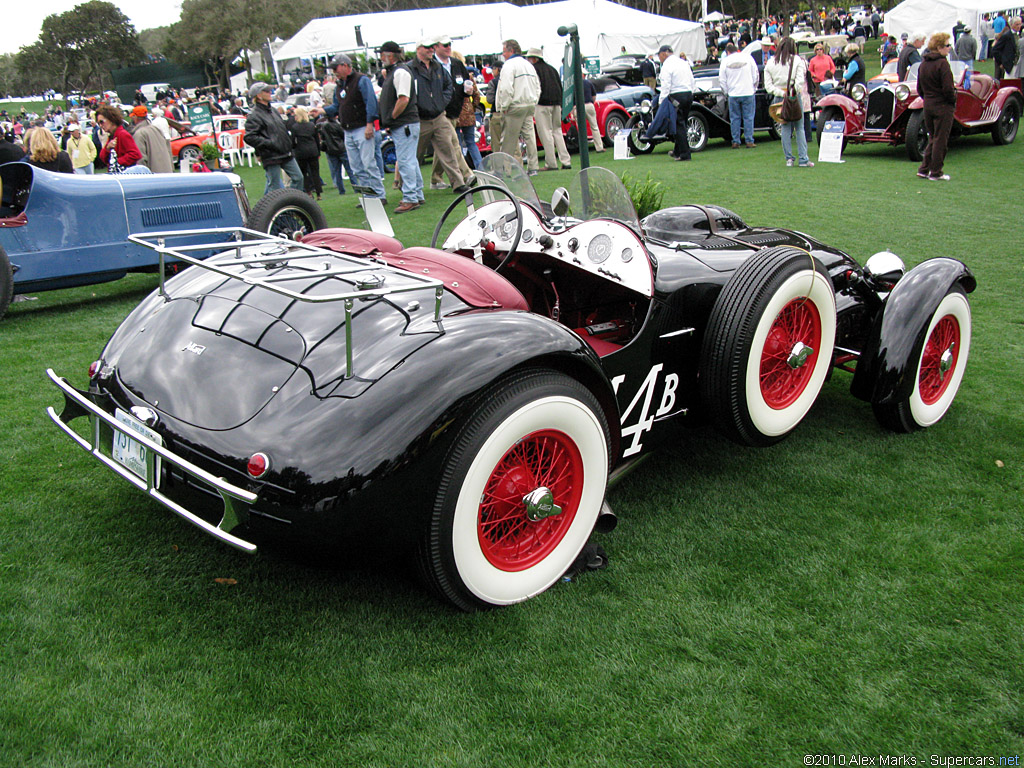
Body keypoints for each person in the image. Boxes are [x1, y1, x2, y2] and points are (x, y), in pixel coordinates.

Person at [410, 37, 472, 194]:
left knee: (449, 149)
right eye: (427, 47)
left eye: (432, 47)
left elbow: (448, 86)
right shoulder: (410, 69)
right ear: (419, 49)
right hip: (420, 119)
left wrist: (440, 103)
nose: (430, 50)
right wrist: (418, 107)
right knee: (413, 154)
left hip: (439, 116)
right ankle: (405, 185)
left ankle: (458, 183)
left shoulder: (439, 68)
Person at [323, 54, 387, 201]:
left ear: (345, 65)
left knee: (369, 164)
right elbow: (336, 107)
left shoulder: (361, 80)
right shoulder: (339, 85)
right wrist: (322, 110)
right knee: (356, 167)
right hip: (348, 130)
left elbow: (371, 103)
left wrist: (369, 125)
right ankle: (368, 197)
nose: (334, 72)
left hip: (362, 128)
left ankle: (379, 195)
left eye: (336, 68)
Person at [378, 40, 424, 213]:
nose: (382, 58)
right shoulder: (397, 72)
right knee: (409, 160)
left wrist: (391, 117)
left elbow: (403, 99)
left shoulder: (400, 73)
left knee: (405, 161)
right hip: (406, 123)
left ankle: (411, 197)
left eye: (383, 55)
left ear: (390, 55)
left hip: (404, 123)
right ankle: (416, 194)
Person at [431, 37, 477, 189]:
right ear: (436, 47)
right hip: (438, 112)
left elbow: (464, 84)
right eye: (445, 45)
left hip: (454, 111)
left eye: (449, 45)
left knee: (444, 144)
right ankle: (467, 174)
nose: (448, 47)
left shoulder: (457, 64)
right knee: (453, 143)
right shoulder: (430, 65)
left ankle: (435, 179)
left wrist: (467, 91)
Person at [244, 82, 304, 194]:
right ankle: (274, 209)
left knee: (298, 178)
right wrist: (270, 143)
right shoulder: (255, 115)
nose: (269, 93)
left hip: (285, 152)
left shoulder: (273, 111)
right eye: (266, 91)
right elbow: (250, 137)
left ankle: (290, 202)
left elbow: (281, 128)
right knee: (274, 187)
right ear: (259, 95)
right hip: (271, 155)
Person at [765, 36, 814, 168]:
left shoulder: (771, 62)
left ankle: (789, 159)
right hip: (793, 96)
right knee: (799, 127)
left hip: (779, 96)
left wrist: (781, 93)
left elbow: (768, 86)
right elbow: (799, 82)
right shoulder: (797, 60)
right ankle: (803, 159)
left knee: (785, 128)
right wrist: (791, 92)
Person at [496, 39, 541, 173]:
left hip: (515, 105)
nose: (503, 54)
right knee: (529, 137)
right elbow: (537, 86)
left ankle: (505, 170)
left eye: (504, 51)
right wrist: (534, 101)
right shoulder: (529, 65)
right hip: (529, 105)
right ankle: (533, 167)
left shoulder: (509, 65)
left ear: (511, 51)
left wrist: (504, 106)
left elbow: (506, 87)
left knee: (508, 139)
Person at [915, 33, 956, 181]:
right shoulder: (942, 64)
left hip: (928, 104)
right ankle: (936, 171)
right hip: (942, 105)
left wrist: (928, 98)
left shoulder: (924, 64)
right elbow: (948, 88)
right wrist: (952, 100)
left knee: (933, 137)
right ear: (939, 47)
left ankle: (924, 169)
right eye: (947, 45)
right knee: (941, 139)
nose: (949, 48)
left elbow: (920, 88)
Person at [527, 47, 571, 170]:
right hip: (556, 103)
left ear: (534, 59)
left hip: (542, 104)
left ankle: (551, 163)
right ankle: (566, 160)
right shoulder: (552, 69)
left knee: (546, 133)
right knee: (557, 131)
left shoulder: (533, 70)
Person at [657, 43, 695, 160]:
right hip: (688, 94)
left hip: (676, 96)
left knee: (678, 124)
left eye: (659, 56)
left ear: (663, 54)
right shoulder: (683, 63)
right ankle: (677, 151)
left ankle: (685, 153)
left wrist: (661, 102)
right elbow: (692, 79)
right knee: (682, 122)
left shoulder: (667, 66)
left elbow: (666, 85)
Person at [719, 42, 759, 147]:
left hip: (733, 93)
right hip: (748, 91)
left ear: (727, 52)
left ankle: (736, 141)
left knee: (735, 118)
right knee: (748, 117)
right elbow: (755, 74)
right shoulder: (748, 58)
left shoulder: (725, 61)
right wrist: (754, 87)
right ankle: (749, 140)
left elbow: (722, 80)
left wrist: (726, 92)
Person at [453, 50, 484, 171]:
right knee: (471, 142)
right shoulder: (468, 76)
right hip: (468, 113)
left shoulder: (451, 76)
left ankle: (463, 170)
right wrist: (472, 107)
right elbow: (476, 95)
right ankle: (480, 168)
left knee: (457, 144)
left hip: (455, 113)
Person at [96, 105, 141, 174]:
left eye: (102, 122)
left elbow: (135, 154)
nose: (101, 125)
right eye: (98, 123)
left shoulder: (122, 134)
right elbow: (103, 158)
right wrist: (107, 149)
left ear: (111, 119)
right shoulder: (112, 136)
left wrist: (117, 162)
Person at [128, 106, 173, 173]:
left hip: (153, 178)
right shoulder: (156, 129)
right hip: (166, 174)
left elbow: (140, 160)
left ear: (135, 117)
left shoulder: (139, 134)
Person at [290, 107, 322, 199]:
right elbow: (316, 140)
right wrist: (318, 152)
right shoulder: (312, 125)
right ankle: (319, 193)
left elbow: (293, 141)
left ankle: (308, 192)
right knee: (315, 172)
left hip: (301, 152)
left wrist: (294, 148)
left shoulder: (295, 127)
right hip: (313, 151)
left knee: (304, 173)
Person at [318, 113, 351, 196]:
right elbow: (343, 135)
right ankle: (355, 186)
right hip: (341, 149)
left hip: (331, 150)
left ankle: (341, 190)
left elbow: (323, 137)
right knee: (349, 169)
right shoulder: (337, 125)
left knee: (337, 171)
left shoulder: (324, 126)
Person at [579, 74, 604, 154]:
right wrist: (592, 103)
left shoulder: (573, 85)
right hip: (589, 105)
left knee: (580, 130)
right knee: (594, 127)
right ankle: (599, 147)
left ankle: (583, 150)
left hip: (578, 106)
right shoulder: (588, 83)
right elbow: (594, 95)